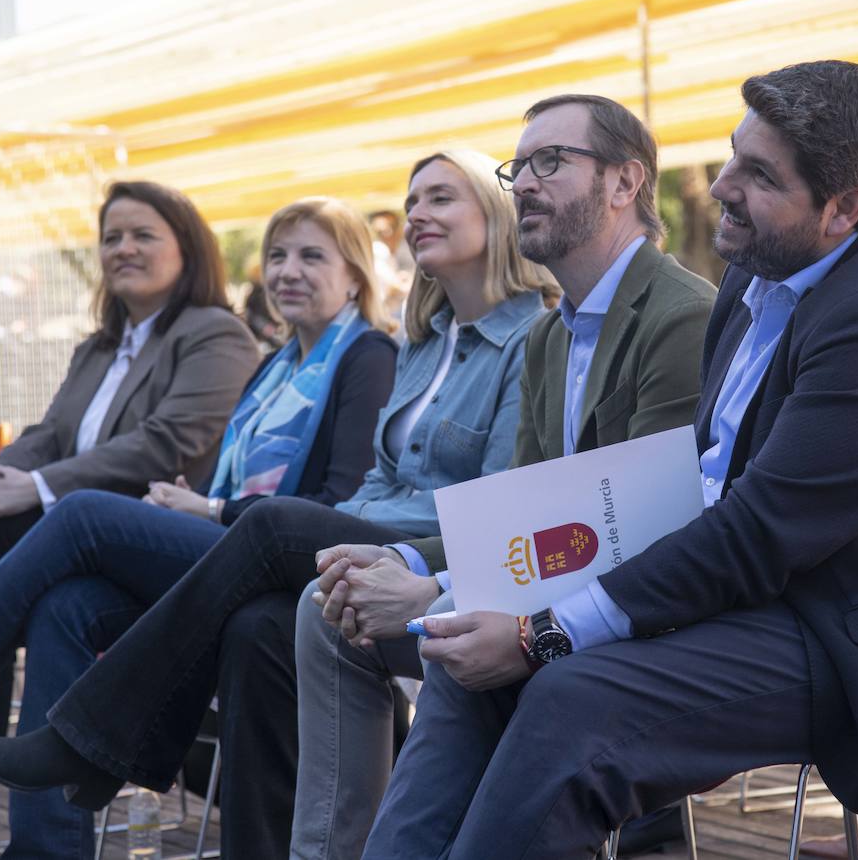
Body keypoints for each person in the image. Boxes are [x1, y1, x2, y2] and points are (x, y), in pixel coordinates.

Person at [344, 59, 858, 859]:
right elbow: (683, 488)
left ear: (846, 208)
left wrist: (538, 634)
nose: (721, 185)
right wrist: (465, 589)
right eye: (733, 153)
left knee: (570, 695)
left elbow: (751, 533)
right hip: (782, 596)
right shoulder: (763, 270)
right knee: (464, 659)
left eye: (758, 174)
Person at [0, 149, 556, 860]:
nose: (418, 212)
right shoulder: (423, 342)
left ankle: (61, 730)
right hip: (367, 537)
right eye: (413, 198)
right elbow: (376, 485)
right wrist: (335, 524)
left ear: (496, 212)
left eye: (441, 199)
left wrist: (231, 516)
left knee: (158, 519)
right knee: (253, 622)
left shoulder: (528, 337)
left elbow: (487, 506)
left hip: (451, 558)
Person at [0, 197, 397, 859]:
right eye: (276, 255)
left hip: (275, 558)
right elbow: (55, 437)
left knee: (69, 515)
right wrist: (187, 500)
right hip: (218, 546)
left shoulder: (364, 356)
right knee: (61, 603)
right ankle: (43, 846)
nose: (287, 271)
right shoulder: (274, 367)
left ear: (357, 275)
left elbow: (341, 501)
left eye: (312, 256)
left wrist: (213, 511)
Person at [293, 94, 717, 858]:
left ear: (626, 183)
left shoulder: (682, 313)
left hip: (646, 617)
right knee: (327, 609)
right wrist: (406, 560)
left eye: (551, 161)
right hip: (554, 594)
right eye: (518, 166)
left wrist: (437, 590)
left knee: (462, 644)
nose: (523, 182)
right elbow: (514, 514)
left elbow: (655, 532)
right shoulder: (551, 337)